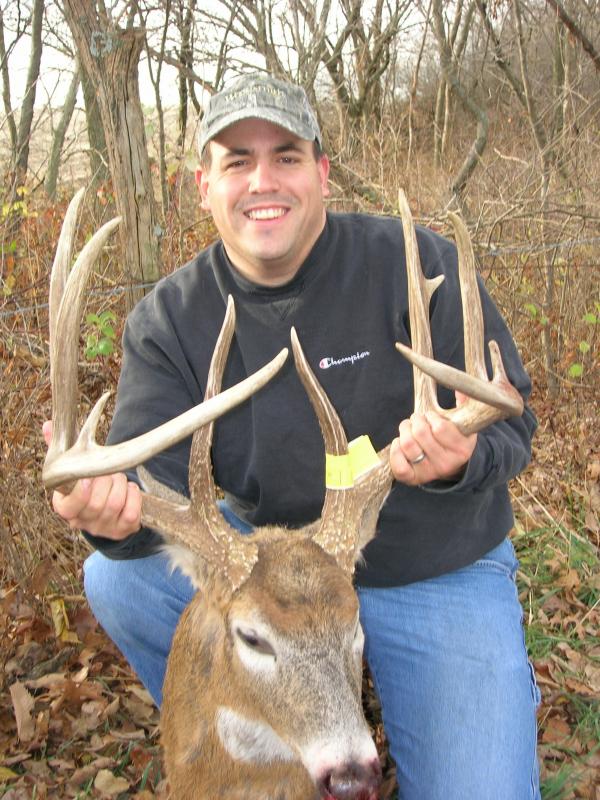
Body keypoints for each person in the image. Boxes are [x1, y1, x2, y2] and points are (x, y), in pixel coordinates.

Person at [44, 73, 540, 799]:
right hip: (269, 582)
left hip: (430, 567)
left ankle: (333, 698)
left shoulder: (414, 265)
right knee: (115, 577)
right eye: (237, 160)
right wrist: (105, 514)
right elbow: (144, 491)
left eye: (286, 156)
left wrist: (464, 455)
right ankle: (259, 725)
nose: (262, 180)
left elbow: (513, 425)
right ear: (203, 184)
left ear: (322, 173)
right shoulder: (170, 320)